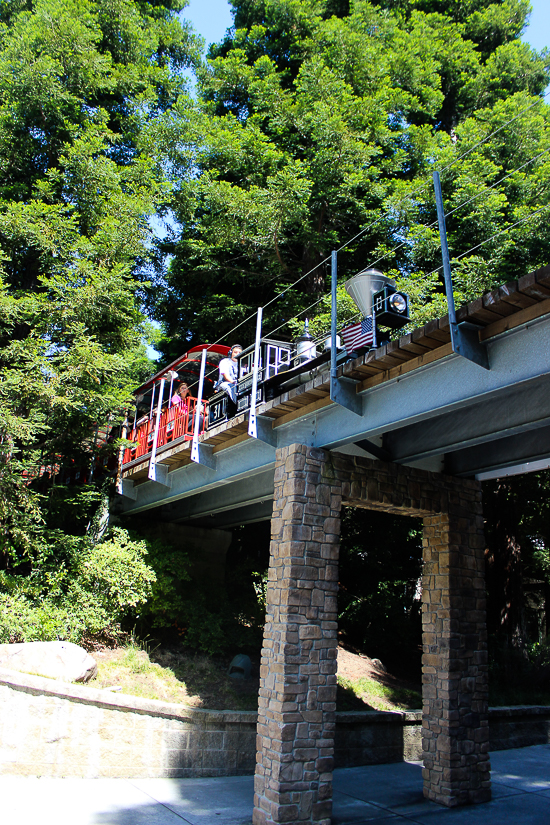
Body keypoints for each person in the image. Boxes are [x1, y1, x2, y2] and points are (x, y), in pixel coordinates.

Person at [217, 344, 242, 415]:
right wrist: (234, 382)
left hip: (238, 383)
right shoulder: (224, 361)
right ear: (231, 353)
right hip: (224, 383)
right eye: (235, 352)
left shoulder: (242, 363)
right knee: (230, 386)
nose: (237, 354)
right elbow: (226, 375)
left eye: (239, 353)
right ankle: (237, 404)